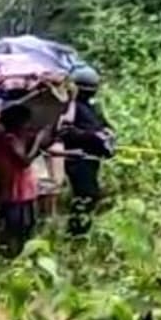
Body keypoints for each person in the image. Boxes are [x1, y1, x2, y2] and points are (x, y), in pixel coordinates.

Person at [58, 72, 115, 237]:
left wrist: (107, 133)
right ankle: (76, 233)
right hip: (77, 158)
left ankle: (80, 231)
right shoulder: (70, 107)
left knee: (90, 195)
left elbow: (103, 125)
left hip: (92, 158)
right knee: (86, 195)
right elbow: (65, 132)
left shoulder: (92, 107)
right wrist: (92, 136)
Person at [0, 105, 49, 258]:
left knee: (22, 228)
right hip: (15, 194)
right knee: (15, 230)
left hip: (20, 193)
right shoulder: (10, 139)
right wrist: (38, 140)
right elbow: (25, 161)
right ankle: (13, 258)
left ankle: (15, 258)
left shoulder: (6, 137)